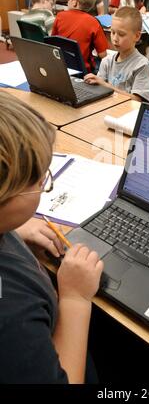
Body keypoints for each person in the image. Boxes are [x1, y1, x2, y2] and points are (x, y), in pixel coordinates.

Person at [0, 92, 104, 383]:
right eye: (39, 181)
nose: (43, 184)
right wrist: (75, 298)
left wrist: (13, 227)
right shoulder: (9, 314)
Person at [84, 6, 149, 102]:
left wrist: (106, 85)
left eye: (121, 34)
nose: (115, 39)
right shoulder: (107, 61)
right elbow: (100, 90)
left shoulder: (142, 66)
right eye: (112, 32)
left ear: (137, 36)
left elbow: (137, 100)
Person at [52, 0, 108, 72]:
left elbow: (53, 41)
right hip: (83, 70)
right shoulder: (94, 22)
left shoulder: (59, 16)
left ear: (75, 3)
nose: (68, 2)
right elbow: (102, 54)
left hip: (61, 66)